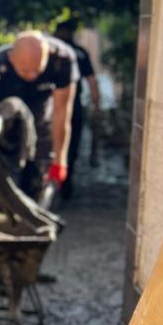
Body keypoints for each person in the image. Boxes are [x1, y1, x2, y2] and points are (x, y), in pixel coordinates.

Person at [0, 31, 78, 201]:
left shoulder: (62, 59)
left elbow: (62, 112)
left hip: (41, 123)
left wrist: (60, 161)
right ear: (11, 58)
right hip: (6, 126)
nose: (32, 76)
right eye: (25, 71)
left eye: (37, 70)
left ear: (47, 56)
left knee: (36, 183)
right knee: (4, 187)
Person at [53, 23, 100, 200]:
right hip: (73, 106)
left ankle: (56, 184)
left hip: (55, 105)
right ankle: (65, 184)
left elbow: (92, 80)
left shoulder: (55, 50)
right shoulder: (79, 52)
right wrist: (96, 104)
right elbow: (92, 82)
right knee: (70, 145)